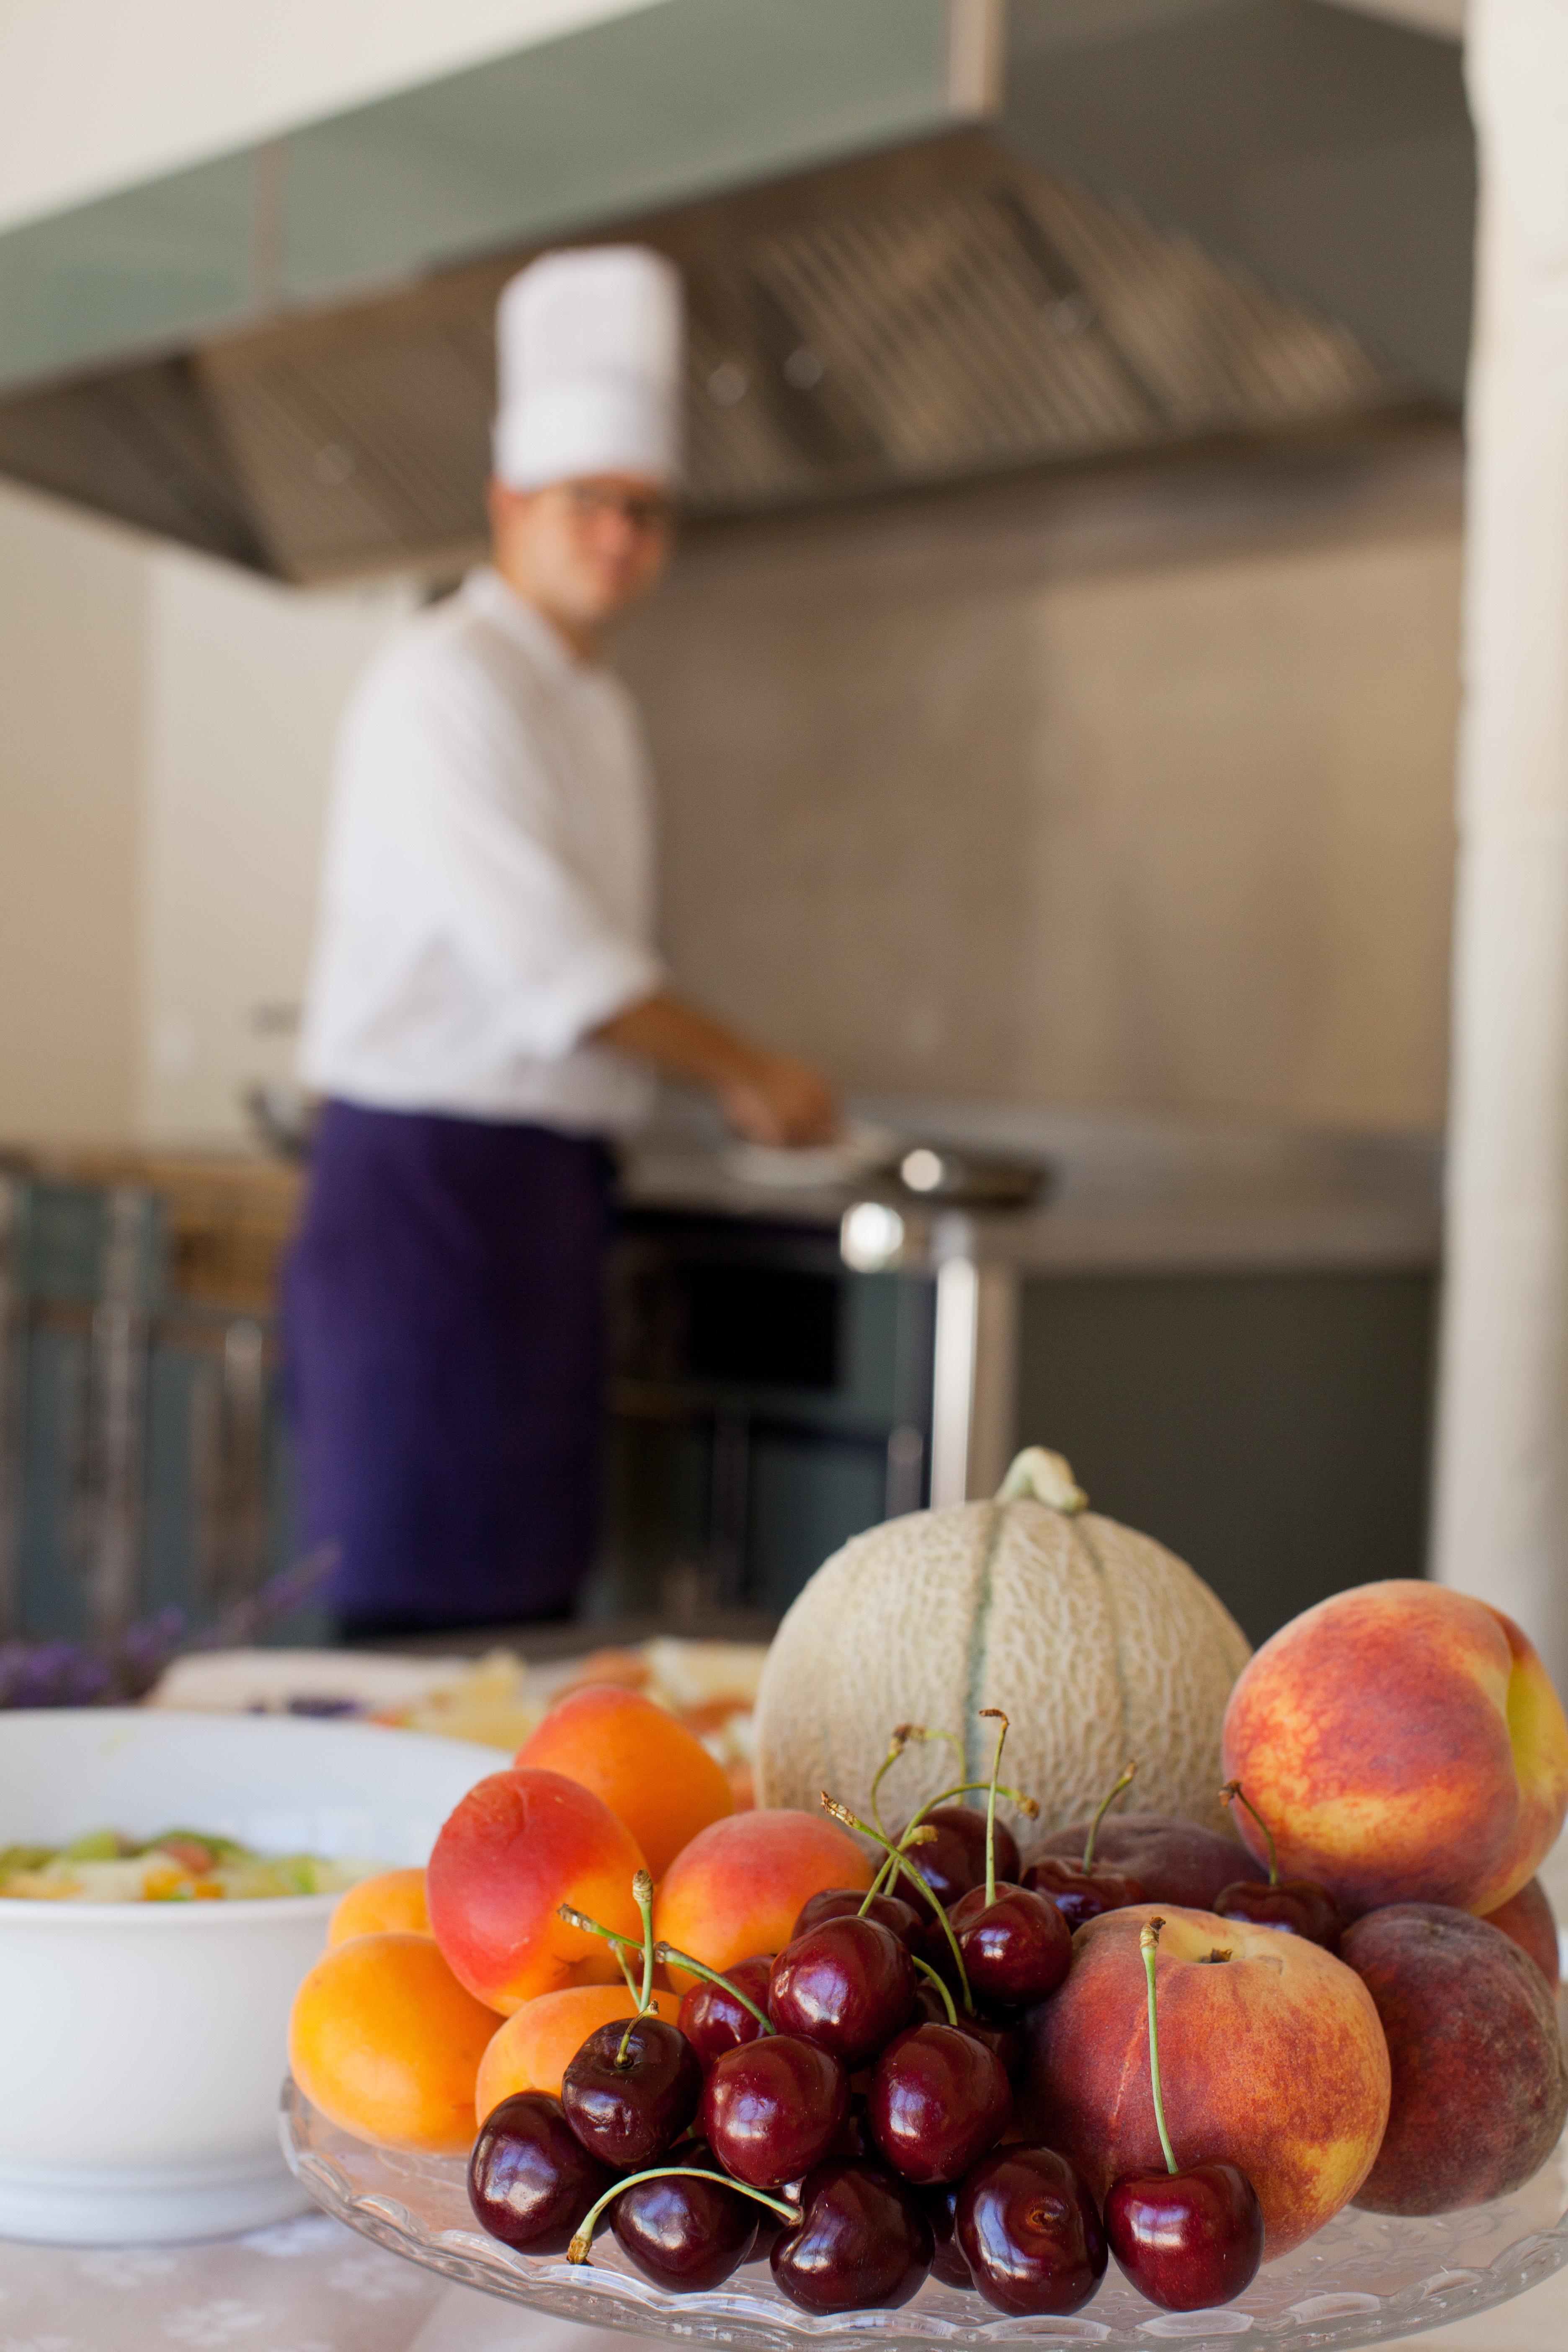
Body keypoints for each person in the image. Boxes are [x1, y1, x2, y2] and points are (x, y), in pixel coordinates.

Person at [285, 245, 836, 1639]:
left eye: (646, 511)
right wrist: (742, 1066)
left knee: (526, 1616)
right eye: (591, 504)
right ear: (509, 505)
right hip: (426, 1191)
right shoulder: (442, 685)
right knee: (416, 1612)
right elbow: (557, 962)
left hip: (541, 1196)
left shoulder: (596, 706)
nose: (620, 538)